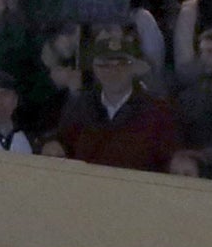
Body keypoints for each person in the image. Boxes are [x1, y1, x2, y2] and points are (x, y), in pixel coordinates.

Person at [56, 35, 179, 173]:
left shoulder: (157, 111)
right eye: (104, 65)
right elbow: (63, 144)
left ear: (134, 68)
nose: (113, 71)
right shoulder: (80, 106)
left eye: (122, 64)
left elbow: (168, 161)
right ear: (94, 69)